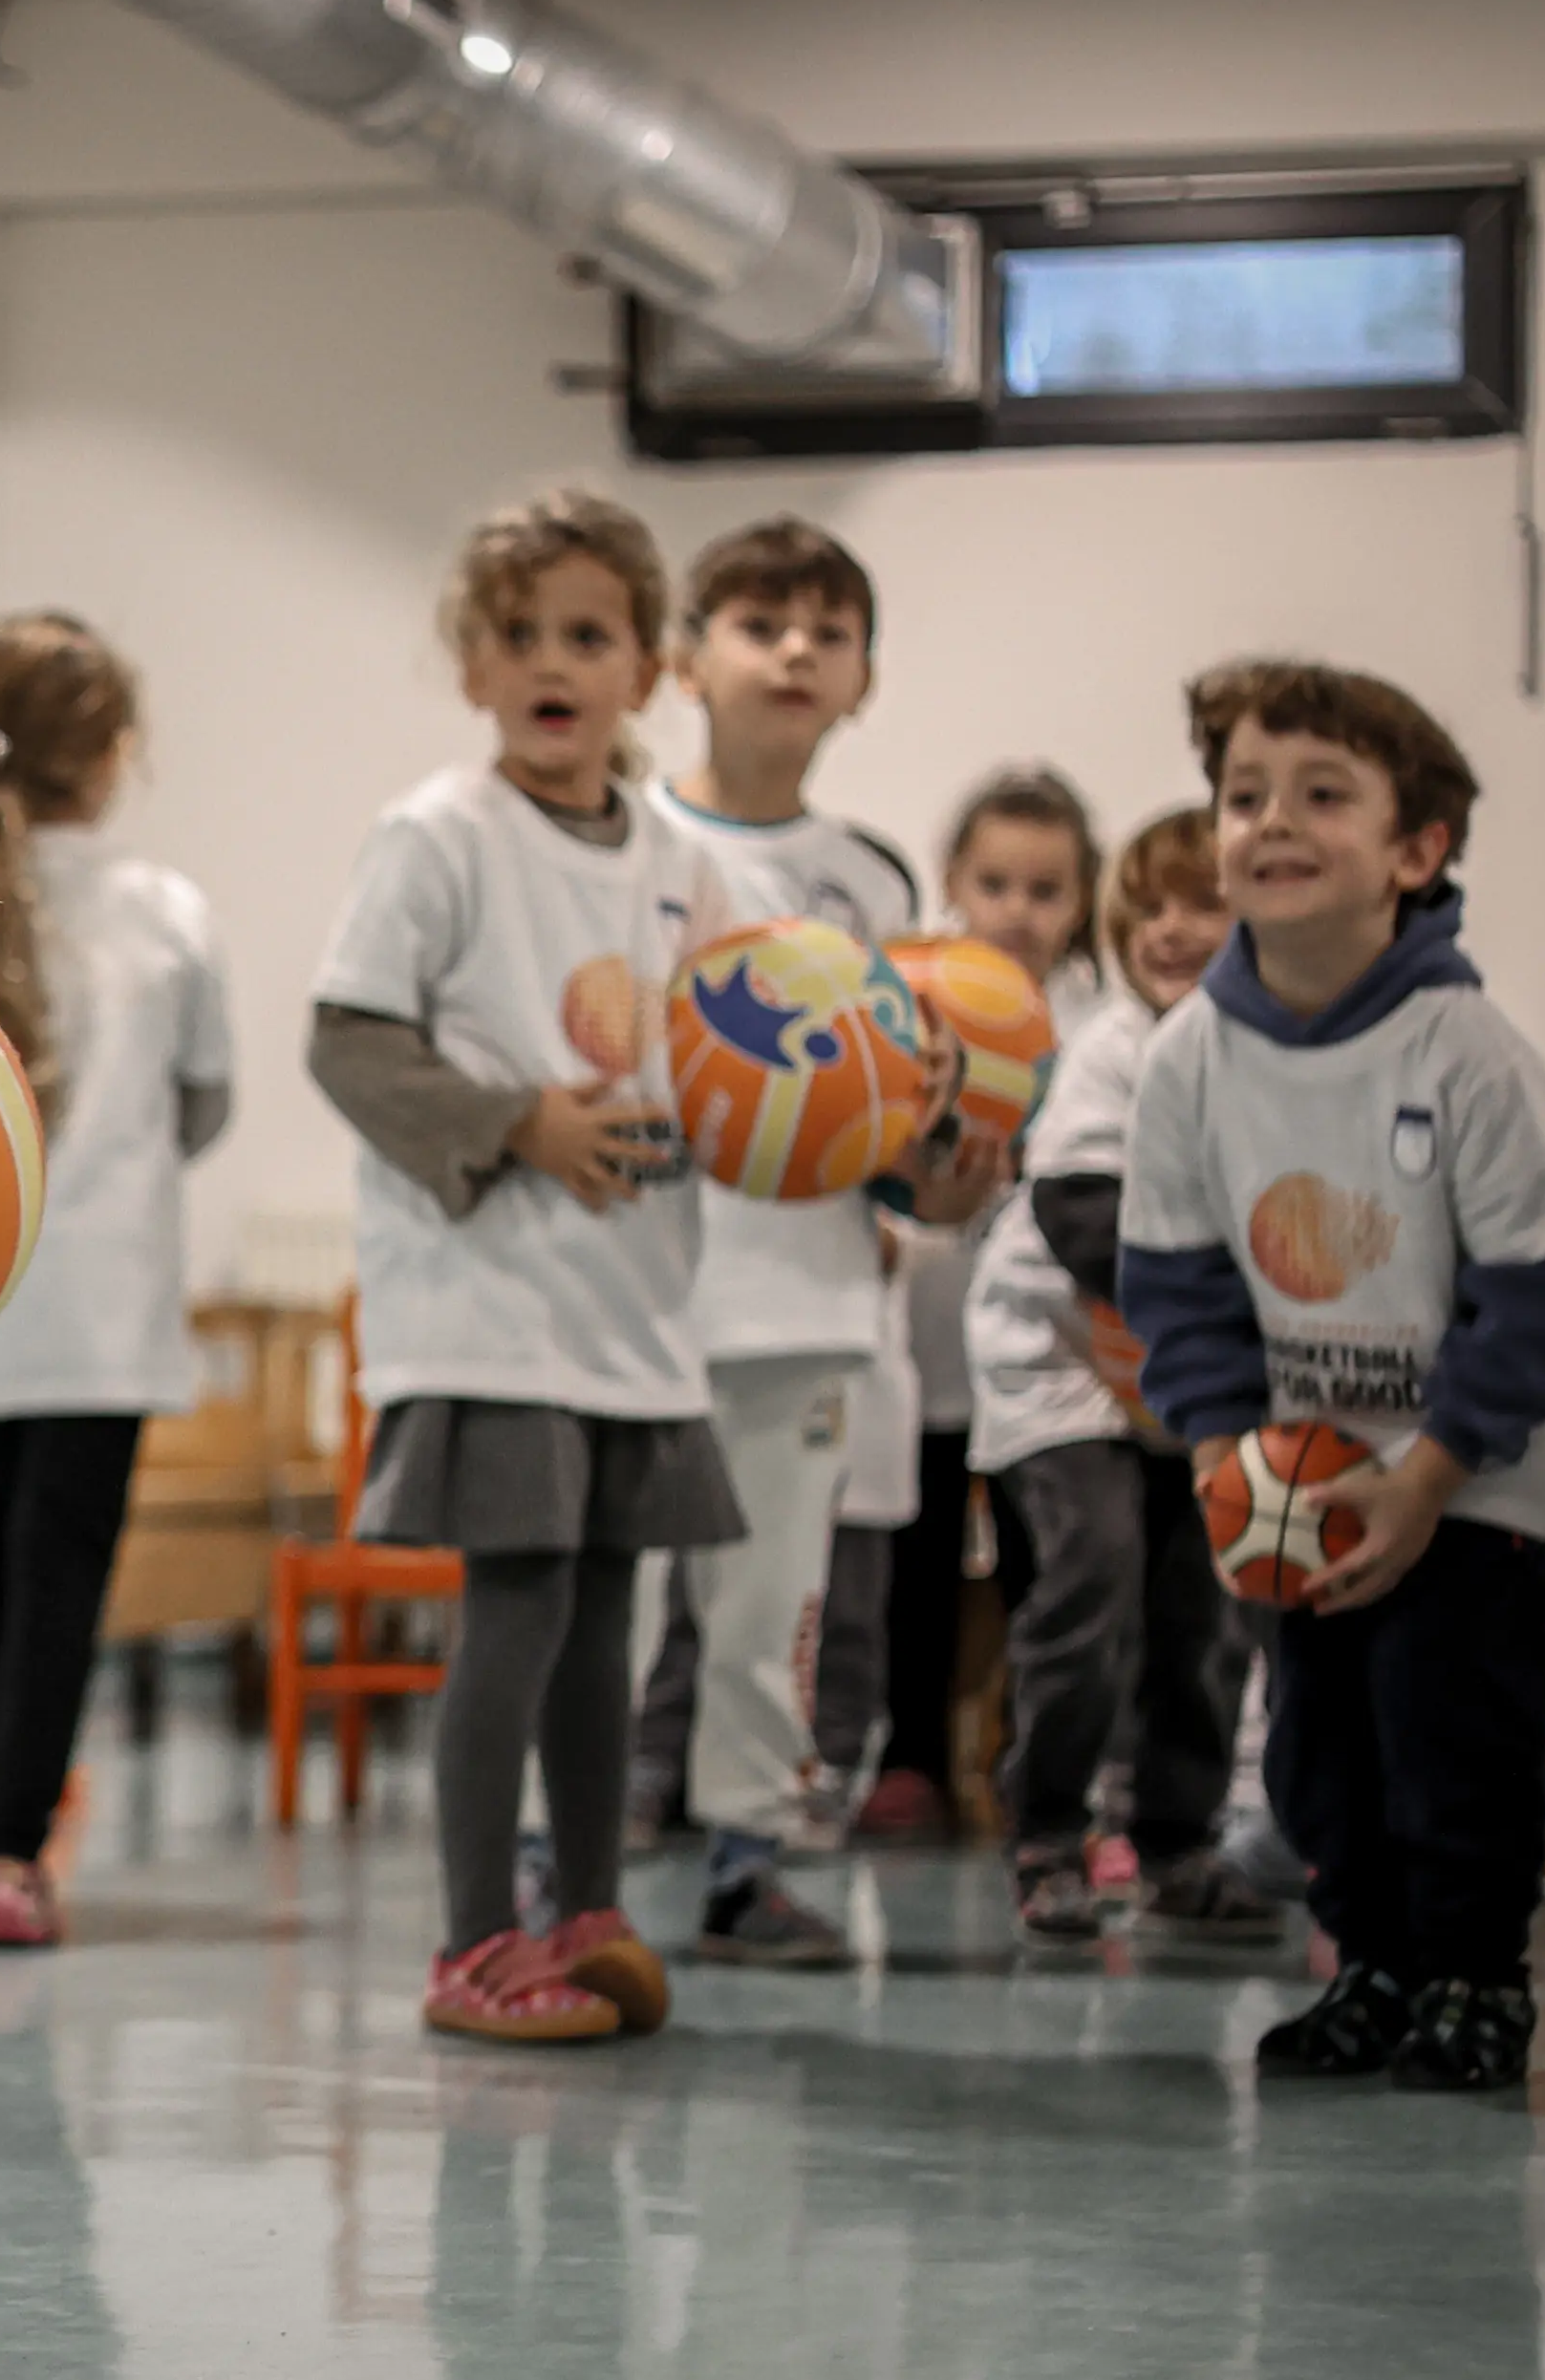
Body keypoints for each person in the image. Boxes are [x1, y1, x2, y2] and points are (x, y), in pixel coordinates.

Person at [1121, 661, 1545, 2093]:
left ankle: (1473, 1980)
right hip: (1299, 1477)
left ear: (1414, 851)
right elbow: (1176, 1282)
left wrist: (1428, 1477)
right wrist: (1225, 1455)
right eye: (1243, 795)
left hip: (1463, 1472)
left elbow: (1538, 1298)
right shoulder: (1186, 1059)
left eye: (1321, 795)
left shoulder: (1464, 1050)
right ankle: (1370, 1967)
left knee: (1454, 1734)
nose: (1271, 821)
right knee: (1319, 1743)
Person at [307, 491, 744, 2047]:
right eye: (515, 635)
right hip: (484, 1302)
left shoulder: (684, 862)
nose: (549, 662)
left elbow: (751, 1041)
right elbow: (345, 1038)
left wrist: (892, 1136)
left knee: (604, 1614)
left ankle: (591, 1910)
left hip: (629, 1302)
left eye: (585, 633)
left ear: (645, 668)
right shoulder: (438, 835)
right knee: (522, 1600)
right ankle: (473, 1941)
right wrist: (514, 1122)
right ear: (470, 666)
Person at [632, 520, 995, 1967]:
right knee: (613, 1607)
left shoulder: (873, 883)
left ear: (862, 680)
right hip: (637, 1296)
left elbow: (894, 1132)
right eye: (758, 622)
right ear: (685, 660)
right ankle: (556, 1857)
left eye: (824, 633)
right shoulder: (629, 847)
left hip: (809, 1299)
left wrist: (942, 1170)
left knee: (769, 1607)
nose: (792, 651)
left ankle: (742, 1858)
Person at [0, 614, 233, 1951]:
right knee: (59, 1579)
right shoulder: (162, 913)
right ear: (110, 756)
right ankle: (10, 1849)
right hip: (100, 1309)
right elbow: (203, 1106)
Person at [967, 808, 1271, 1946]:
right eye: (1149, 906)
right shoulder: (1118, 1042)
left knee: (1202, 1608)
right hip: (1062, 1360)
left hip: (1177, 1380)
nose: (1173, 929)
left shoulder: (1268, 1049)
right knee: (1092, 1582)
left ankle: (1176, 1839)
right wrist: (1192, 1328)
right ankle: (1047, 1831)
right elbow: (1078, 1208)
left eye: (1205, 902)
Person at [843, 769, 1104, 1845]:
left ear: (1084, 897)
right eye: (994, 882)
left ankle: (1041, 1770)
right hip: (937, 1342)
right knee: (921, 1562)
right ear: (954, 881)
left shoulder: (1101, 1025)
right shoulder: (907, 1003)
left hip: (1062, 1357)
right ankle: (907, 1758)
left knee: (1056, 1568)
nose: (1018, 910)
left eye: (1046, 888)